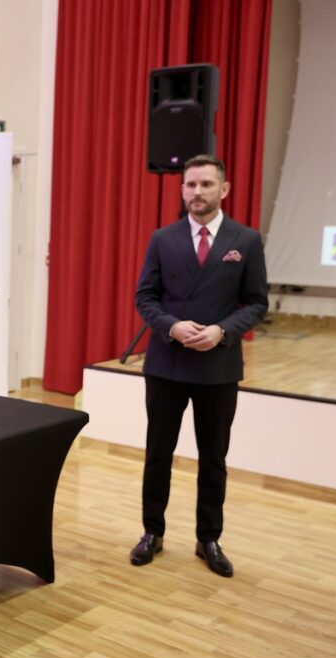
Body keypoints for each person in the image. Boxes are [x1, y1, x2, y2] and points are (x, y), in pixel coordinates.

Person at [131, 154, 268, 577]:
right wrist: (171, 327)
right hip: (166, 365)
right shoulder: (163, 238)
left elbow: (257, 303)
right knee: (158, 454)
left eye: (206, 185)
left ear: (223, 190)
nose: (196, 192)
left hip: (218, 368)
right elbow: (145, 298)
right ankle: (152, 532)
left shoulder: (245, 241)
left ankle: (209, 537)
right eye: (190, 185)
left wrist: (222, 332)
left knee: (213, 458)